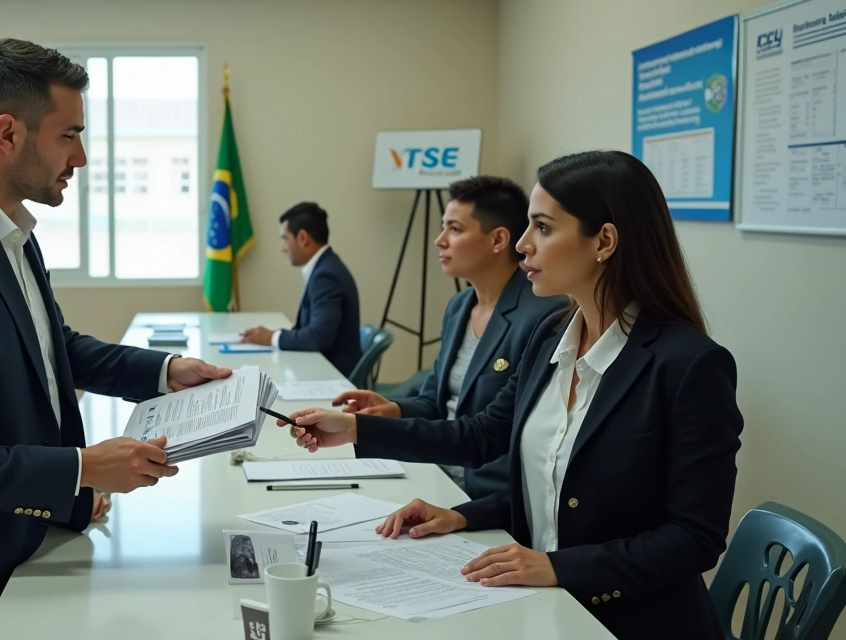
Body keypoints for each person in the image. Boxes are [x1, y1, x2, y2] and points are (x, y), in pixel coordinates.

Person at [0, 38, 232, 640]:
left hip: (19, 546)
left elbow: (53, 349)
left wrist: (165, 372)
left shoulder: (9, 228)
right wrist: (81, 469)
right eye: (68, 135)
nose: (81, 156)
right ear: (8, 133)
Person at [278, 150, 743, 640]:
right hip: (542, 605)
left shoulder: (690, 365)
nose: (522, 244)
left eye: (542, 227)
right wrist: (360, 433)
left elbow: (694, 538)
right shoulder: (551, 335)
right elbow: (489, 440)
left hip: (629, 621)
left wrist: (558, 567)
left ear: (604, 241)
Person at [332, 176, 565, 500]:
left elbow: (498, 435)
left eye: (454, 229)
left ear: (498, 239)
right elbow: (434, 403)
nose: (439, 240)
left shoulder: (543, 315)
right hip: (436, 471)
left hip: (485, 494)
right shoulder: (459, 306)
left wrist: (361, 429)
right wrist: (393, 409)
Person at [239, 202, 362, 375]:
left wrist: (272, 337)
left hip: (333, 375)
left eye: (285, 239)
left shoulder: (326, 275)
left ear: (303, 238)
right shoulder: (326, 266)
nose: (283, 248)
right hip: (323, 368)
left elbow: (318, 337)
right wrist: (270, 334)